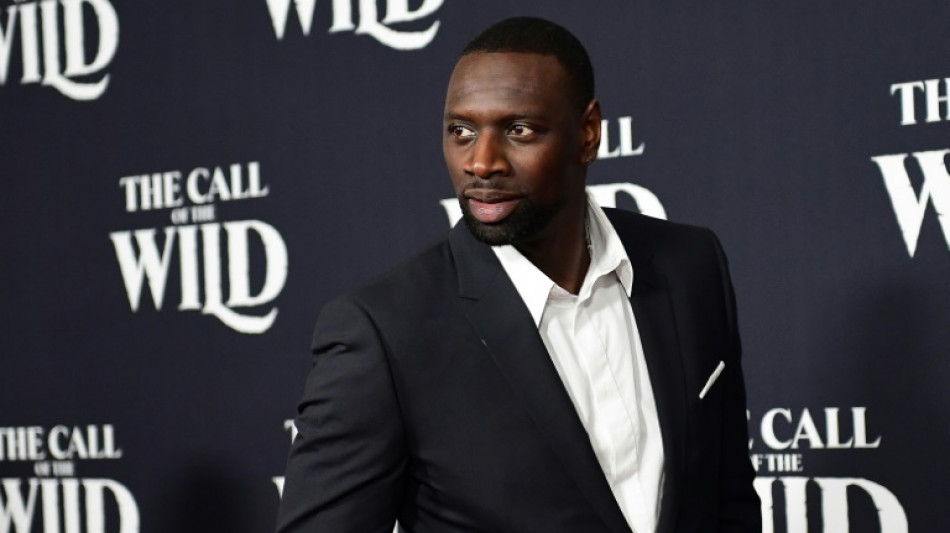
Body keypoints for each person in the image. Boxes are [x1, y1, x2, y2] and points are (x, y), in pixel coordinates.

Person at [276, 16, 761, 533]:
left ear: (588, 133)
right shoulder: (385, 333)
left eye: (518, 130)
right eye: (461, 132)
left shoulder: (690, 266)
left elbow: (728, 500)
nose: (481, 163)